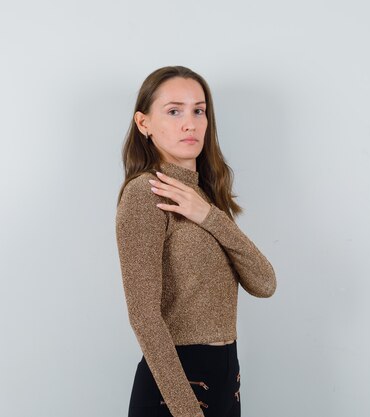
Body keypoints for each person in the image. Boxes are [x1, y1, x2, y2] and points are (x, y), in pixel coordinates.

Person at [115, 66, 277, 417]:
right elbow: (143, 315)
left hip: (225, 379)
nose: (190, 123)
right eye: (174, 111)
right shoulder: (147, 193)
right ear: (144, 123)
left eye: (198, 110)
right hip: (175, 392)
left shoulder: (206, 199)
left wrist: (208, 215)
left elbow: (265, 283)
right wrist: (187, 411)